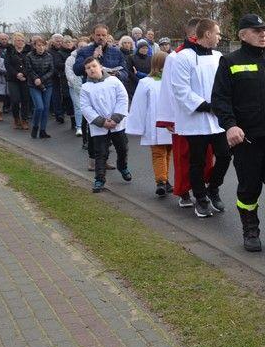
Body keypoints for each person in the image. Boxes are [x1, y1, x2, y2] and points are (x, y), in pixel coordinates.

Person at [211, 14, 265, 252]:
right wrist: (230, 125)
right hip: (247, 139)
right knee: (249, 187)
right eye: (256, 31)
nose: (263, 34)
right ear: (243, 35)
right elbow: (220, 99)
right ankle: (250, 230)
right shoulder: (230, 61)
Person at [167, 18, 230, 218]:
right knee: (197, 162)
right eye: (217, 33)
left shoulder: (219, 56)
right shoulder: (183, 57)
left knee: (225, 155)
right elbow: (180, 89)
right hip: (195, 120)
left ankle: (213, 188)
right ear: (207, 34)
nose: (220, 37)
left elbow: (226, 85)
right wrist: (207, 106)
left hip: (217, 120)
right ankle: (200, 199)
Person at [126, 51, 174, 197]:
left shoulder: (173, 81)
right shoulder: (146, 83)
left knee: (167, 152)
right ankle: (161, 181)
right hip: (155, 124)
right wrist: (137, 126)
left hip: (171, 124)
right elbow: (139, 106)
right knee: (159, 152)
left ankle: (164, 181)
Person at [79, 56, 131, 192]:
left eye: (93, 66)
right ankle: (99, 179)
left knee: (122, 148)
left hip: (117, 124)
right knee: (101, 153)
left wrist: (116, 118)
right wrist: (101, 122)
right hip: (99, 126)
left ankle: (122, 166)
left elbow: (122, 98)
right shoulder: (86, 87)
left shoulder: (113, 81)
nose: (91, 70)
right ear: (85, 71)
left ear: (100, 67)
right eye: (88, 68)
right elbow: (85, 107)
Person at [25, 35, 55, 139]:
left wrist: (41, 80)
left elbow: (51, 70)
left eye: (43, 45)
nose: (41, 47)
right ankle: (35, 126)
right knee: (39, 107)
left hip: (47, 84)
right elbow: (29, 70)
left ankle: (43, 130)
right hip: (33, 85)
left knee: (46, 108)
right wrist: (36, 79)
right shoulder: (29, 56)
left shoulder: (49, 56)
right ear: (34, 46)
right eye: (39, 45)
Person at [5, 33, 31, 129]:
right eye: (17, 40)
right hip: (13, 78)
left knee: (25, 99)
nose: (20, 42)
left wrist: (23, 74)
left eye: (21, 40)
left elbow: (29, 64)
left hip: (25, 78)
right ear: (14, 42)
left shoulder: (28, 50)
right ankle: (16, 118)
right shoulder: (9, 51)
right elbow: (7, 65)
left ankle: (24, 119)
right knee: (15, 100)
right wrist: (17, 74)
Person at [66, 39, 88, 136]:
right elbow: (69, 73)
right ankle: (79, 127)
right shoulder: (71, 59)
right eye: (80, 47)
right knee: (78, 106)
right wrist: (76, 83)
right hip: (74, 86)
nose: (82, 49)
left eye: (85, 47)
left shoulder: (90, 57)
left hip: (88, 85)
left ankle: (88, 126)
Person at [48, 33, 70, 125]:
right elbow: (51, 65)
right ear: (52, 42)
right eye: (57, 41)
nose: (59, 43)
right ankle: (59, 114)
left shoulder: (64, 51)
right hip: (54, 76)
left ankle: (65, 111)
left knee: (65, 95)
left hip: (65, 76)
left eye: (61, 41)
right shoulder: (49, 52)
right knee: (56, 95)